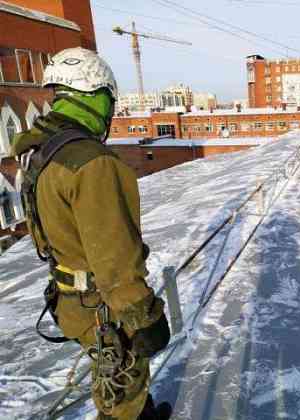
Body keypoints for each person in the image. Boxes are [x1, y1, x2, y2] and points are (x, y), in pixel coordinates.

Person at [11, 47, 171, 420]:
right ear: (97, 97)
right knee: (120, 396)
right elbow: (114, 258)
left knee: (117, 377)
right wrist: (143, 316)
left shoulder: (41, 152)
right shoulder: (92, 163)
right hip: (102, 305)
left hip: (70, 297)